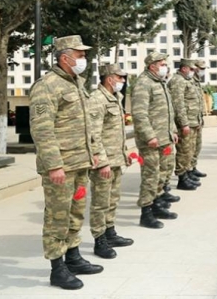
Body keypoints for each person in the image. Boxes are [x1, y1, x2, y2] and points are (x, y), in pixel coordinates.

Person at [29, 35, 106, 290]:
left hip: (80, 163)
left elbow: (86, 125)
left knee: (75, 212)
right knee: (57, 216)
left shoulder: (76, 82)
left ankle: (73, 256)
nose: (84, 59)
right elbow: (42, 129)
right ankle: (57, 267)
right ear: (65, 57)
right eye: (80, 55)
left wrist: (93, 152)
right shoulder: (47, 85)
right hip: (61, 167)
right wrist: (54, 165)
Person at [87, 63, 134, 259]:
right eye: (120, 77)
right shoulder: (98, 99)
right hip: (104, 162)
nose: (123, 81)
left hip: (115, 159)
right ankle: (100, 240)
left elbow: (116, 132)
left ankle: (110, 231)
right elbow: (93, 134)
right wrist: (102, 161)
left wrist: (124, 154)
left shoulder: (116, 98)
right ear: (109, 79)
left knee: (113, 199)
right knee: (100, 202)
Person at [131, 51, 179, 228]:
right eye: (162, 63)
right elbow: (139, 113)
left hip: (164, 138)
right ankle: (146, 212)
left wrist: (172, 130)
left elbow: (168, 110)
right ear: (152, 66)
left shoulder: (160, 83)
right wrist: (149, 135)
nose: (165, 66)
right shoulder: (144, 83)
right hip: (151, 141)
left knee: (162, 173)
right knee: (151, 176)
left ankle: (157, 204)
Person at [168, 59, 204, 191]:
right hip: (186, 122)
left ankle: (188, 172)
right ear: (184, 68)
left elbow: (196, 102)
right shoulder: (178, 81)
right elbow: (179, 105)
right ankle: (182, 178)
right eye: (192, 69)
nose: (194, 72)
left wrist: (199, 119)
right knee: (184, 151)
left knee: (191, 149)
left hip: (193, 121)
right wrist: (184, 123)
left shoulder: (187, 81)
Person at [190, 59, 209, 176]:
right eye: (201, 69)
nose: (203, 71)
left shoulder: (196, 81)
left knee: (197, 146)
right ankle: (186, 171)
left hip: (197, 119)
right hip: (190, 121)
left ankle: (193, 167)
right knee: (189, 149)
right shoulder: (188, 81)